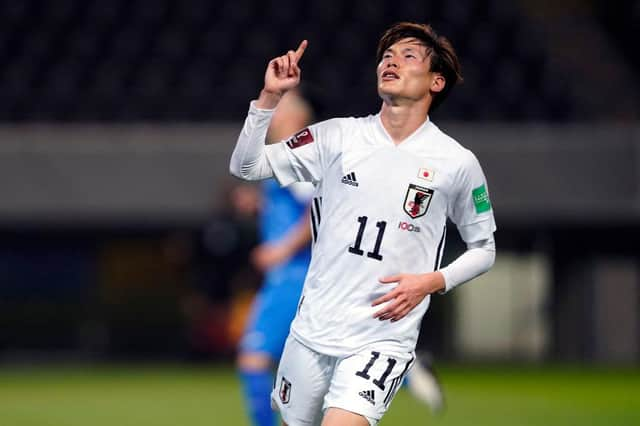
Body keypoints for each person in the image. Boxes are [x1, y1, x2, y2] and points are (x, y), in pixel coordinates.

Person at [230, 21, 496, 426]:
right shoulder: (337, 137)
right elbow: (246, 165)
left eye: (408, 56)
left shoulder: (457, 163)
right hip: (311, 330)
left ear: (436, 81)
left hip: (382, 338)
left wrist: (432, 281)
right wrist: (269, 97)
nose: (392, 62)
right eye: (387, 56)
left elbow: (484, 250)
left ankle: (408, 368)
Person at [237, 90, 315, 426]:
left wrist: (282, 248)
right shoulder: (289, 156)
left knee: (253, 359)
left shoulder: (297, 153)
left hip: (293, 272)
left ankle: (403, 372)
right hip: (299, 273)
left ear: (293, 117)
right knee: (297, 369)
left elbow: (318, 208)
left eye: (276, 110)